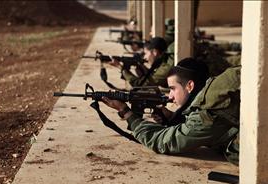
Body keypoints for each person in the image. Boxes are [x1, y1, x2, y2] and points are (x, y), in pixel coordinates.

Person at [102, 57, 240, 165]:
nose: (170, 96)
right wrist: (173, 117)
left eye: (173, 88)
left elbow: (163, 142)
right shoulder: (216, 89)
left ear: (190, 86)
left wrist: (126, 112)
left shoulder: (208, 111)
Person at [110, 37, 174, 88]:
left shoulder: (166, 67)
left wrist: (121, 68)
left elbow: (141, 85)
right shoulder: (163, 62)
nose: (144, 57)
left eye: (146, 53)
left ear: (155, 52)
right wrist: (144, 70)